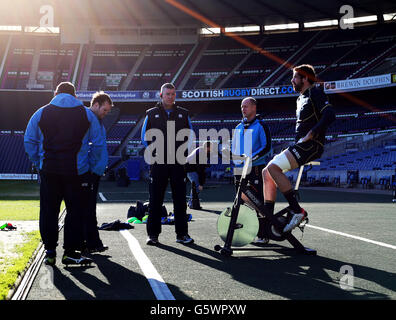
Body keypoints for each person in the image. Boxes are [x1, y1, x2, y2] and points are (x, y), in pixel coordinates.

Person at [24, 82, 105, 266]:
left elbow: (29, 141)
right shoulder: (87, 114)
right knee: (75, 212)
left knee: (48, 212)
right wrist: (90, 166)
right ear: (75, 95)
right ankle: (70, 253)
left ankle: (50, 251)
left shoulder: (41, 112)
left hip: (49, 171)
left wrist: (39, 162)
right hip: (77, 173)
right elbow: (98, 144)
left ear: (55, 93)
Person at [262, 64, 335, 233]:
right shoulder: (300, 98)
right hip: (300, 144)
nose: (292, 80)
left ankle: (297, 210)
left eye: (295, 77)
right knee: (267, 172)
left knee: (273, 168)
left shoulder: (315, 92)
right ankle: (268, 222)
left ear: (305, 79)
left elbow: (330, 114)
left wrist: (313, 132)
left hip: (312, 145)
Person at [141, 83, 194, 245]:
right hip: (158, 163)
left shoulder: (183, 114)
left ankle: (182, 235)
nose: (170, 96)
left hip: (178, 163)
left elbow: (191, 136)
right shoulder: (151, 114)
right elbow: (144, 137)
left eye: (172, 94)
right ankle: (153, 235)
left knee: (180, 200)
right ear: (161, 95)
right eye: (167, 94)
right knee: (155, 200)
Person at [231, 97, 272, 243]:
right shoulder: (238, 127)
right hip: (239, 170)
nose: (243, 109)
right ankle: (241, 233)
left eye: (246, 106)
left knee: (258, 202)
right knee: (239, 202)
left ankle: (263, 235)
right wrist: (234, 160)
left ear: (254, 107)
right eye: (242, 106)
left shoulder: (261, 125)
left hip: (255, 168)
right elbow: (234, 148)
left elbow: (267, 147)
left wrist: (251, 159)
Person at [83, 91, 113, 254]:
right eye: (104, 110)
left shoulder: (96, 120)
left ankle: (92, 242)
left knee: (89, 207)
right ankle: (91, 243)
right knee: (87, 208)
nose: (106, 113)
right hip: (89, 171)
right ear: (95, 105)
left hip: (94, 171)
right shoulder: (88, 118)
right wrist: (92, 168)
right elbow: (87, 146)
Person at [185, 141, 212, 209]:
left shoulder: (201, 149)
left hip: (189, 169)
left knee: (195, 186)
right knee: (197, 186)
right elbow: (201, 169)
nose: (212, 149)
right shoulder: (202, 153)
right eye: (211, 147)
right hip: (190, 170)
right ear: (207, 147)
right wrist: (201, 184)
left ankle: (190, 202)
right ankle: (192, 204)